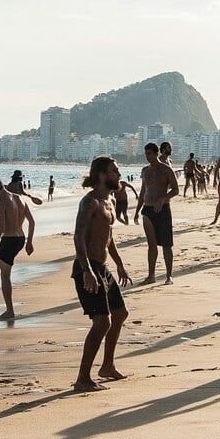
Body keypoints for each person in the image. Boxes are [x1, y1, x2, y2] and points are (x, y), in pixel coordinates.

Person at [72, 157, 133, 392]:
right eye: (114, 171)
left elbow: (108, 237)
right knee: (101, 322)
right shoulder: (90, 203)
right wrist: (87, 270)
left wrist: (119, 264)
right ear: (101, 175)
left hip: (102, 267)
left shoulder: (111, 200)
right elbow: (78, 237)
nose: (118, 175)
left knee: (120, 314)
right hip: (86, 267)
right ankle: (83, 379)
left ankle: (107, 365)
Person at [0, 176, 36, 318]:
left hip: (9, 240)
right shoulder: (19, 198)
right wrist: (29, 242)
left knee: (5, 276)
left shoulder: (1, 203)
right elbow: (32, 222)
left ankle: (10, 310)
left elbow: (1, 228)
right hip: (20, 239)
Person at [137, 142, 179, 284]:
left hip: (163, 209)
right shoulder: (145, 170)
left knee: (167, 244)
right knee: (151, 244)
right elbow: (143, 191)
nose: (147, 156)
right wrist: (137, 210)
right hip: (148, 209)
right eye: (146, 154)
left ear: (156, 153)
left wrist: (163, 199)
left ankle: (169, 276)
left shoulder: (166, 169)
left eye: (150, 154)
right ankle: (151, 275)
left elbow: (175, 189)